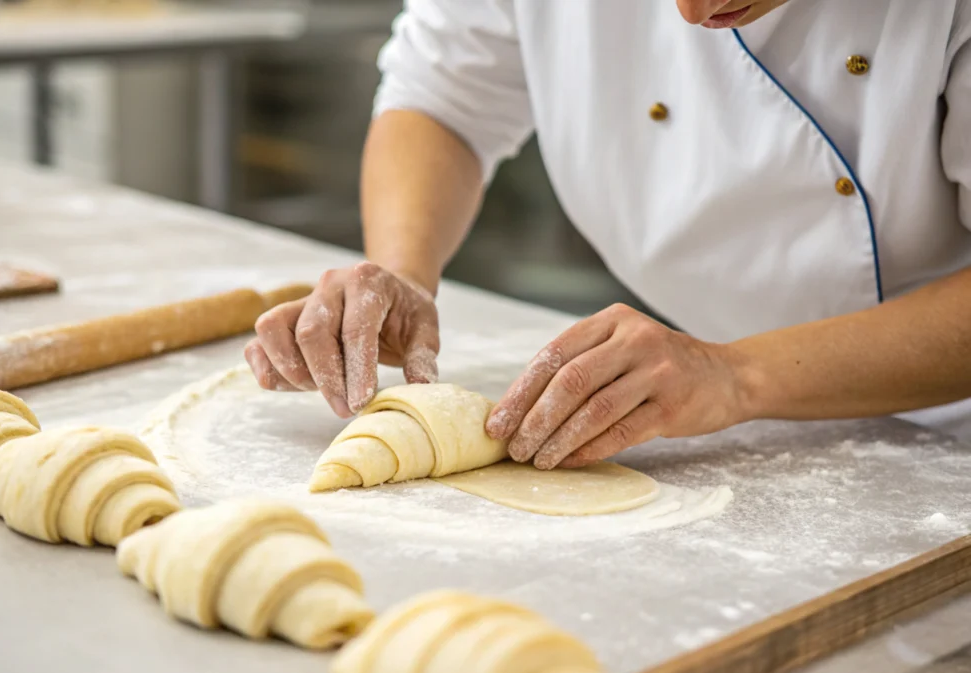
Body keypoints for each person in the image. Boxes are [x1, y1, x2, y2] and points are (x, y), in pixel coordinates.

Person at [245, 0, 971, 470]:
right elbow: (442, 97)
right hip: (734, 437)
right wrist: (401, 269)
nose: (695, 12)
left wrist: (734, 374)